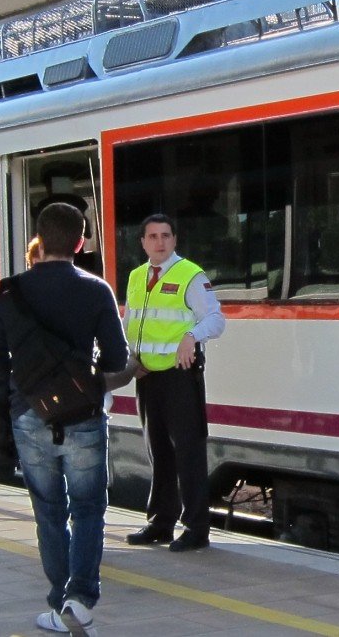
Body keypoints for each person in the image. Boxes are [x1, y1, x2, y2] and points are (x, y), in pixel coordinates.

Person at [0, 202, 129, 635]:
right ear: (81, 242)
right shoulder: (96, 289)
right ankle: (80, 600)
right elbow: (117, 359)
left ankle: (57, 601)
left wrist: (32, 375)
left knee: (47, 510)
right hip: (82, 416)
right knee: (88, 508)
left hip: (29, 415)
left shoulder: (9, 292)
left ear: (39, 240)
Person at [124, 214, 224, 552]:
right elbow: (131, 324)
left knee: (189, 452)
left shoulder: (190, 275)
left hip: (180, 376)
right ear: (142, 242)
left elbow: (215, 319)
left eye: (165, 235)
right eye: (152, 236)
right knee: (159, 451)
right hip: (147, 377)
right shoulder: (137, 277)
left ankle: (197, 528)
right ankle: (161, 523)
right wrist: (131, 359)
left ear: (175, 239)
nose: (160, 242)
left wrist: (191, 336)